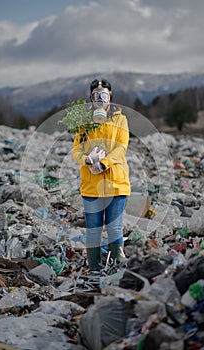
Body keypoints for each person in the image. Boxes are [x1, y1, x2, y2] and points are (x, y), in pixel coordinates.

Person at [71, 79, 131, 271]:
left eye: (104, 95)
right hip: (91, 185)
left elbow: (121, 147)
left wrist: (104, 163)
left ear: (110, 97)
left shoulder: (120, 120)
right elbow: (75, 150)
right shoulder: (84, 123)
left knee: (114, 228)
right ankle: (94, 269)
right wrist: (86, 160)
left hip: (116, 182)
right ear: (91, 98)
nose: (100, 99)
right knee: (94, 230)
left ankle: (118, 268)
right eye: (96, 96)